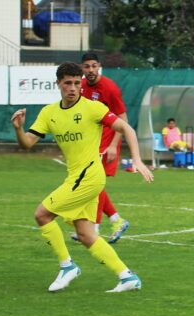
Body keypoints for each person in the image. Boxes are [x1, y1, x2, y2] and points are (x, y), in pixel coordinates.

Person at [11, 62, 154, 293]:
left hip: (90, 177)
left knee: (42, 215)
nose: (73, 87)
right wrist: (19, 128)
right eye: (68, 83)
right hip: (76, 177)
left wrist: (137, 160)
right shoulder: (49, 113)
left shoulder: (93, 108)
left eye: (77, 83)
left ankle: (67, 266)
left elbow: (126, 128)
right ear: (58, 83)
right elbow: (27, 143)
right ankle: (127, 277)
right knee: (86, 235)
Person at [80, 52, 130, 244]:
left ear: (99, 66)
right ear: (82, 68)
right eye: (87, 66)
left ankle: (94, 229)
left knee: (94, 184)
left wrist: (112, 146)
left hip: (106, 143)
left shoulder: (110, 88)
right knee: (92, 184)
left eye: (94, 66)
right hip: (90, 144)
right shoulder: (81, 86)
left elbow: (123, 120)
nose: (91, 70)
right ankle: (117, 221)